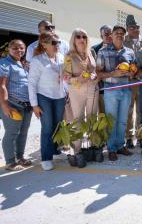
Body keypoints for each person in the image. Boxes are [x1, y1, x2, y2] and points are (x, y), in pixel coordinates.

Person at [96, 25, 136, 161]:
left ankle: (120, 145)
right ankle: (111, 148)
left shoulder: (130, 52)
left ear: (125, 36)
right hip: (111, 90)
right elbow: (98, 73)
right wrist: (114, 73)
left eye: (122, 33)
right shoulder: (103, 51)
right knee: (111, 121)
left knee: (123, 121)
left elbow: (134, 69)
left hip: (126, 89)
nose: (119, 35)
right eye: (116, 33)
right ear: (111, 35)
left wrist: (131, 72)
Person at [28, 32, 66, 171]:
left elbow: (64, 78)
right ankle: (46, 158)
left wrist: (66, 92)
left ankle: (55, 151)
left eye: (58, 43)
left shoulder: (61, 57)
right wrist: (34, 105)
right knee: (47, 127)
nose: (57, 45)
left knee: (57, 126)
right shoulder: (37, 60)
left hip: (60, 96)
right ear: (44, 45)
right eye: (54, 43)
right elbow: (31, 83)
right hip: (44, 97)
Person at [63, 28, 99, 154]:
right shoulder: (68, 56)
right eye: (78, 37)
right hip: (76, 91)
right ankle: (77, 151)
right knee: (77, 120)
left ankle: (93, 147)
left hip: (93, 89)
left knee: (92, 119)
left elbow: (94, 70)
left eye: (84, 36)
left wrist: (94, 75)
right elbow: (66, 78)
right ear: (74, 39)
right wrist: (80, 78)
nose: (81, 39)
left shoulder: (91, 52)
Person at [0, 40, 33, 171]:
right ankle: (10, 162)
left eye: (21, 48)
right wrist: (5, 105)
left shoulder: (23, 64)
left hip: (26, 105)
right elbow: (2, 86)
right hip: (13, 104)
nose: (19, 50)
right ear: (9, 49)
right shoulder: (4, 63)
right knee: (12, 133)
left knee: (23, 133)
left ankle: (20, 157)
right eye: (15, 48)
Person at [123, 15, 142, 149]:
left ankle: (140, 136)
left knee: (141, 111)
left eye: (137, 27)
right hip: (129, 81)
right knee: (129, 110)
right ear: (127, 29)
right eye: (132, 27)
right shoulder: (124, 41)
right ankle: (128, 137)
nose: (136, 29)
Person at [91, 25, 113, 114]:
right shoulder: (94, 49)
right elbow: (92, 69)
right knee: (103, 116)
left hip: (117, 88)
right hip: (102, 89)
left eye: (111, 34)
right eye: (106, 34)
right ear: (101, 36)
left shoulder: (120, 48)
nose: (110, 36)